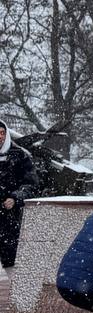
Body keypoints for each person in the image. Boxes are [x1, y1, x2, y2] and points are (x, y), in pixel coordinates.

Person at [0, 119, 40, 277]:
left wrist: (15, 198)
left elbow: (31, 184)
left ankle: (15, 297)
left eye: (2, 133)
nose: (0, 137)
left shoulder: (19, 156)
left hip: (10, 218)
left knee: (11, 261)